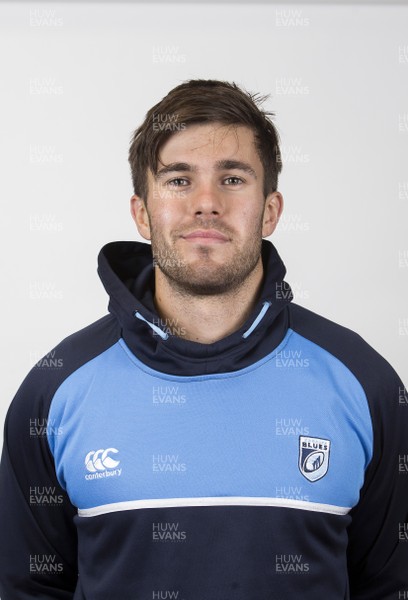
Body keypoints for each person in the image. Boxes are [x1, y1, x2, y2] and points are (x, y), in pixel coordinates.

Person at [0, 78, 407, 600]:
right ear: (142, 213)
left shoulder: (363, 382)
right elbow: (27, 588)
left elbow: (392, 586)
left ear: (271, 211)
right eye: (178, 180)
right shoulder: (55, 389)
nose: (206, 203)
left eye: (233, 178)